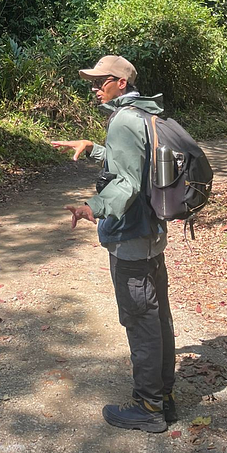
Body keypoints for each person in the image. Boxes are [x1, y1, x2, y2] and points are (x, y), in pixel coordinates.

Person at [51, 55, 177, 433]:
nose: (94, 85)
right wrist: (92, 147)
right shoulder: (145, 113)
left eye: (101, 79)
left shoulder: (123, 119)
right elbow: (136, 165)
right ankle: (164, 396)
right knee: (158, 317)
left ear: (120, 83)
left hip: (131, 238)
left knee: (140, 320)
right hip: (152, 233)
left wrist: (94, 207)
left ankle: (148, 407)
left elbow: (126, 184)